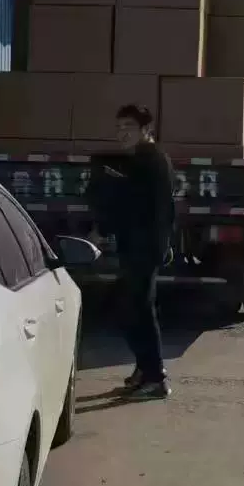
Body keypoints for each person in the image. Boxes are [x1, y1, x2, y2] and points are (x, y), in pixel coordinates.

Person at [89, 103, 174, 399]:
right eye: (119, 127)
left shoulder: (149, 161)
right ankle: (144, 368)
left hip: (143, 247)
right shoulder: (145, 158)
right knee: (132, 309)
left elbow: (134, 207)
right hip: (140, 245)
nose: (122, 133)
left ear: (146, 129)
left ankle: (156, 376)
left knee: (138, 310)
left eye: (128, 127)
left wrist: (102, 228)